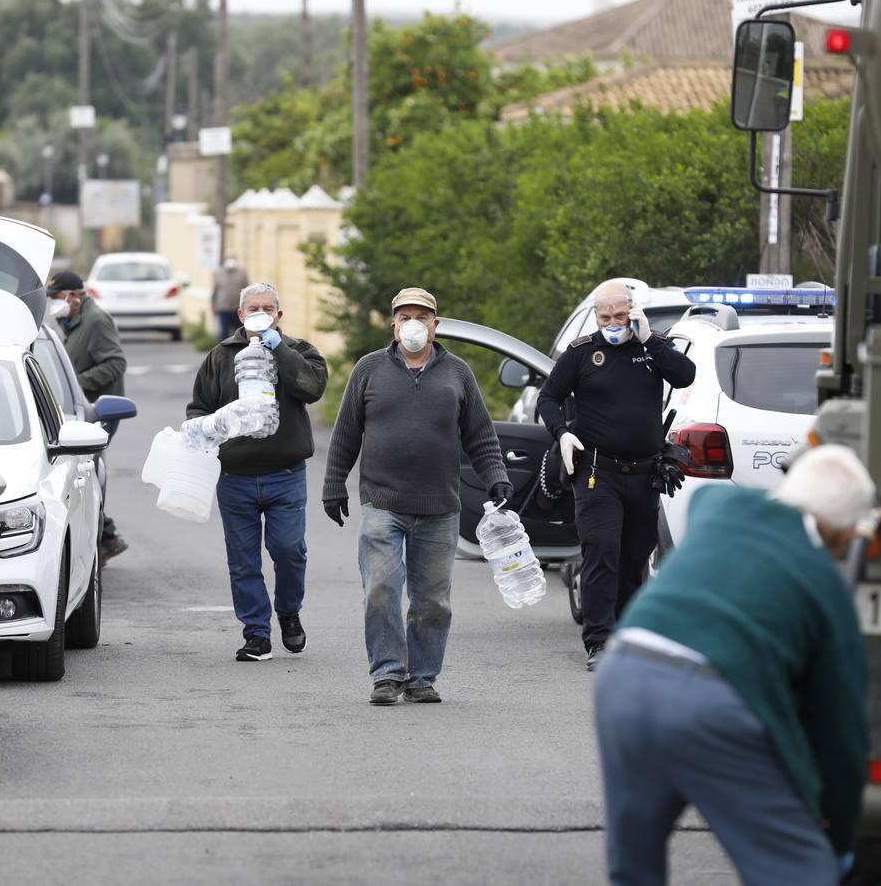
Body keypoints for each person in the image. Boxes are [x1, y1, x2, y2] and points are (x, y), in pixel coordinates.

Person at [594, 445, 874, 886]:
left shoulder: (721, 505)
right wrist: (836, 837)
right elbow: (839, 730)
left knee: (634, 868)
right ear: (840, 531)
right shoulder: (824, 584)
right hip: (710, 703)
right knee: (800, 872)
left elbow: (707, 501)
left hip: (624, 671)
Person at [322, 287, 512, 705]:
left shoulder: (457, 372)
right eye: (405, 316)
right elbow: (346, 432)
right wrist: (334, 483)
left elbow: (480, 434)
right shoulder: (369, 369)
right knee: (381, 588)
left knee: (433, 600)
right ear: (393, 323)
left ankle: (422, 677)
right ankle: (387, 674)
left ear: (435, 324)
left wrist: (495, 476)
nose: (413, 323)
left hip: (439, 507)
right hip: (382, 502)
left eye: (421, 317)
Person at [536, 279, 696, 670]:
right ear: (595, 315)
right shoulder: (581, 353)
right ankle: (600, 643)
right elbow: (548, 398)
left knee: (634, 556)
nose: (613, 322)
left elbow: (686, 374)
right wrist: (563, 433)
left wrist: (651, 341)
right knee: (602, 553)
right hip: (596, 473)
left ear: (632, 312)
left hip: (644, 474)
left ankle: (628, 635)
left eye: (620, 315)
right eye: (605, 316)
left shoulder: (651, 347)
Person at [186, 282, 328, 662]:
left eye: (268, 308)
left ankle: (289, 613)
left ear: (280, 315)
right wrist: (208, 428)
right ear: (240, 315)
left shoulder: (300, 351)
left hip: (285, 472)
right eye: (253, 308)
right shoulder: (221, 356)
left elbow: (313, 388)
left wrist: (277, 348)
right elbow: (198, 408)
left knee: (289, 550)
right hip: (235, 476)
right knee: (243, 560)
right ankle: (256, 634)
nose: (260, 313)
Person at [48, 270, 128, 563]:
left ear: (74, 296)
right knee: (84, 472)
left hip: (95, 411)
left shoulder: (96, 321)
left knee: (88, 472)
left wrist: (75, 384)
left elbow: (115, 363)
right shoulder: (73, 321)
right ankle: (105, 535)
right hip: (80, 411)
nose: (53, 304)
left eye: (56, 298)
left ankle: (105, 536)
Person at [211, 255, 250, 342]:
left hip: (238, 308)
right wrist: (213, 306)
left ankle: (239, 349)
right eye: (228, 258)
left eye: (233, 258)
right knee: (224, 332)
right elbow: (214, 291)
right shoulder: (218, 273)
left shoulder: (242, 273)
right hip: (223, 308)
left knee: (239, 331)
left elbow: (247, 290)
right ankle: (224, 351)